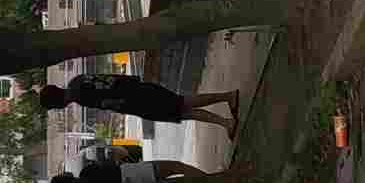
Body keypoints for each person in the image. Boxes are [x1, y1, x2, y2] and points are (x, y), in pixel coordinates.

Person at [40, 75, 239, 136]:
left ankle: (226, 120)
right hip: (138, 88)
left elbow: (111, 101)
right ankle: (227, 99)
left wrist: (130, 107)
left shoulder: (80, 96)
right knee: (183, 104)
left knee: (184, 109)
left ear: (57, 103)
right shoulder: (77, 81)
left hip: (139, 102)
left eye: (54, 107)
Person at [47, 157, 242, 183]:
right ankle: (216, 180)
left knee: (176, 180)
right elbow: (110, 164)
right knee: (177, 167)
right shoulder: (85, 173)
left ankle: (216, 181)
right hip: (131, 173)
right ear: (66, 179)